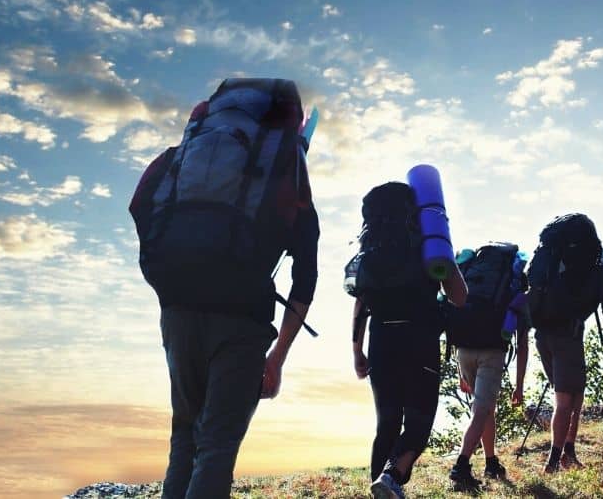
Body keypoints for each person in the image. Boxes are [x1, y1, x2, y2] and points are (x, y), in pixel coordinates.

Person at [131, 78, 320, 499]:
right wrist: (278, 356)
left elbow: (141, 205)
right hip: (241, 319)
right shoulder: (287, 169)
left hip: (178, 309)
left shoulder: (188, 151)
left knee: (185, 436)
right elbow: (306, 275)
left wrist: (174, 278)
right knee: (216, 446)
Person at [350, 182, 467, 499]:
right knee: (418, 423)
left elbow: (361, 305)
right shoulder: (429, 249)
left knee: (386, 424)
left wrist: (357, 351)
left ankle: (381, 486)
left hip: (381, 341)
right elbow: (459, 297)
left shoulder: (369, 254)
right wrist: (445, 256)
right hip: (420, 341)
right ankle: (390, 477)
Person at [534, 246, 603, 473]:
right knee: (564, 403)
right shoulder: (602, 274)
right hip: (567, 339)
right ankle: (553, 462)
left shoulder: (566, 271)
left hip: (543, 336)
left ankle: (568, 452)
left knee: (576, 396)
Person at [447, 249, 530, 490]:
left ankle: (491, 461)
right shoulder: (515, 289)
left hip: (463, 350)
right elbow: (522, 344)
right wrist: (520, 385)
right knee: (481, 410)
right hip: (492, 352)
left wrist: (460, 372)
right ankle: (461, 465)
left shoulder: (474, 278)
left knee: (486, 410)